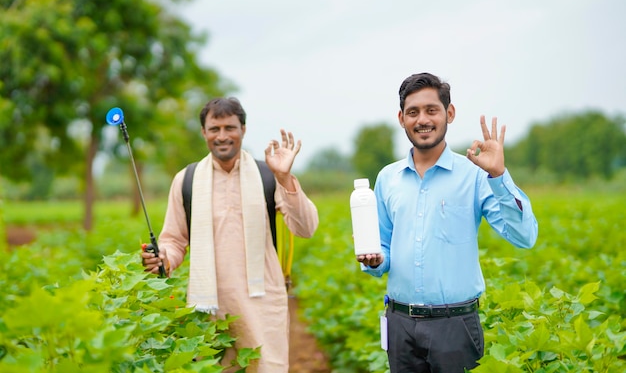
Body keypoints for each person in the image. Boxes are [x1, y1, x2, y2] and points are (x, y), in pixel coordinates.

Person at [357, 72, 538, 372]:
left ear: (449, 113)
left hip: (455, 326)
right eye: (413, 112)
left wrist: (498, 176)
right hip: (399, 324)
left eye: (432, 110)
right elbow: (383, 248)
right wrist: (375, 260)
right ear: (401, 118)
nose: (422, 120)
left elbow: (524, 236)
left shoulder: (475, 174)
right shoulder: (387, 178)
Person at [142, 97, 319, 373]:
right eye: (214, 129)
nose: (222, 136)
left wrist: (285, 178)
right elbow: (174, 241)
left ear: (243, 129)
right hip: (207, 308)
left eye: (229, 127)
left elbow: (306, 228)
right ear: (204, 133)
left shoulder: (267, 175)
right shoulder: (186, 180)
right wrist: (163, 259)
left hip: (262, 305)